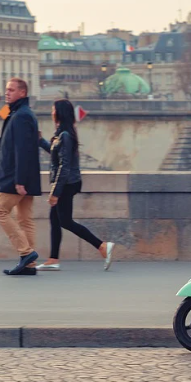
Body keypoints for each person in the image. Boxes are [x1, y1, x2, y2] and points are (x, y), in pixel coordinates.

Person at [35, 99, 115, 272]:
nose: (51, 113)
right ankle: (53, 259)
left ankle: (102, 245)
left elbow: (64, 166)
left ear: (60, 113)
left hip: (67, 183)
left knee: (65, 221)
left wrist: (55, 192)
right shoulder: (63, 133)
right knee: (55, 219)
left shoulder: (65, 135)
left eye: (53, 110)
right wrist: (41, 141)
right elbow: (57, 154)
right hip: (67, 182)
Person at [0, 78, 42, 276]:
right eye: (6, 90)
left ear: (22, 93)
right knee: (25, 219)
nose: (7, 93)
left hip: (15, 176)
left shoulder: (21, 116)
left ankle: (26, 253)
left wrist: (20, 180)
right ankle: (29, 265)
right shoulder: (19, 113)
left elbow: (22, 150)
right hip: (24, 175)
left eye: (11, 90)